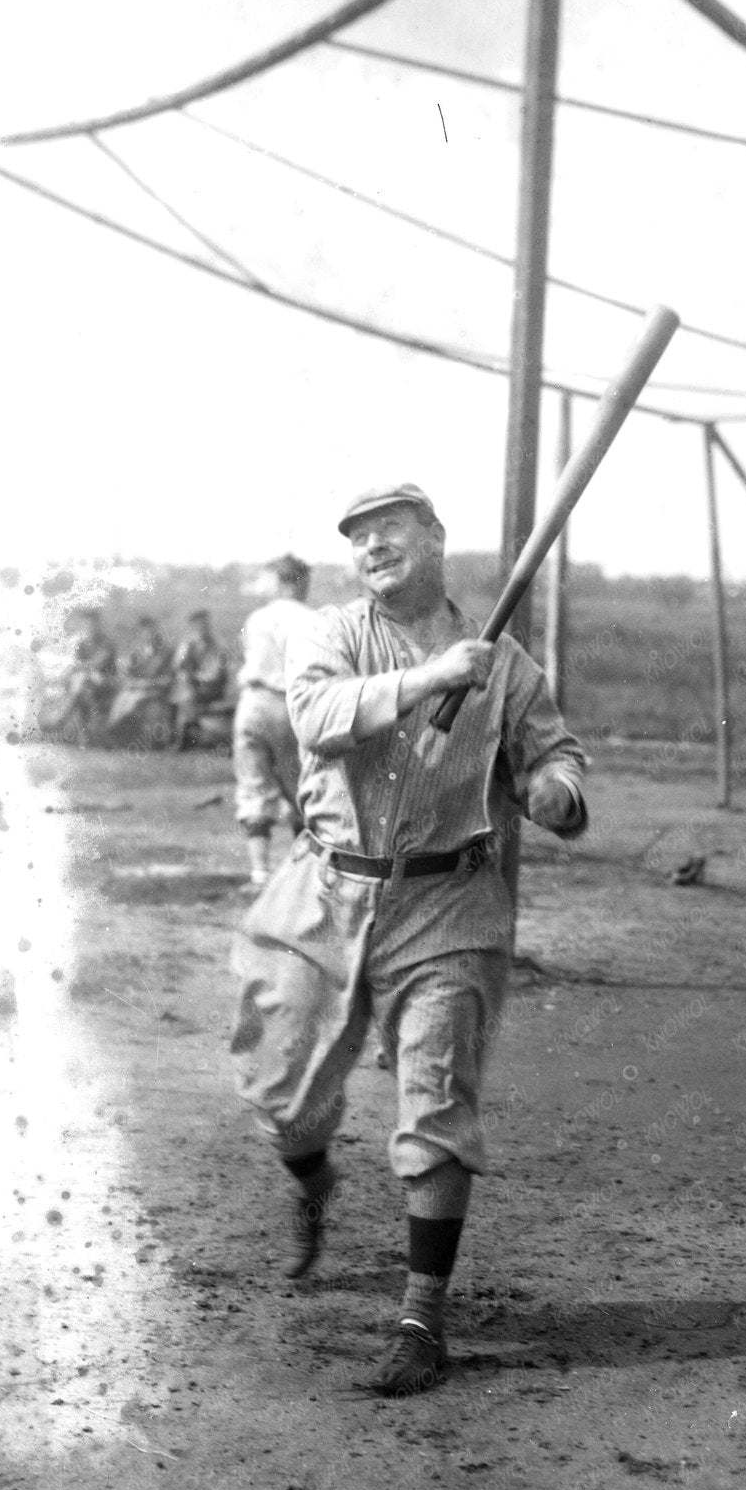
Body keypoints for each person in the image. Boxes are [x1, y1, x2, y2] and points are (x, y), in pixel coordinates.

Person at [229, 483, 587, 1397]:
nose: (374, 547)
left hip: (448, 906)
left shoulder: (506, 665)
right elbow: (315, 718)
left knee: (435, 1106)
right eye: (360, 539)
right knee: (281, 1093)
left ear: (434, 538)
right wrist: (430, 678)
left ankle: (422, 1320)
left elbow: (554, 752)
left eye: (391, 530)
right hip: (327, 891)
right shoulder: (332, 635)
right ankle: (312, 1178)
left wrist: (555, 791)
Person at [233, 555, 321, 887]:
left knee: (253, 783)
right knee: (301, 786)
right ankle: (304, 871)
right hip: (288, 703)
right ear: (298, 582)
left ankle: (259, 872)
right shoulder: (311, 618)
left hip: (252, 702)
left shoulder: (257, 617)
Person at [48, 607, 117, 738]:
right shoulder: (82, 644)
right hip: (87, 680)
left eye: (92, 624)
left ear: (98, 625)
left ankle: (60, 719)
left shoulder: (106, 643)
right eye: (86, 625)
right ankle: (70, 725)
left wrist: (77, 668)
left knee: (80, 678)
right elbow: (78, 664)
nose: (89, 628)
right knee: (79, 682)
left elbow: (98, 663)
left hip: (106, 680)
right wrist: (73, 670)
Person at [105, 615, 174, 741]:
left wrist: (147, 683)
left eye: (152, 631)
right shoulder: (137, 653)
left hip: (155, 690)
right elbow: (125, 674)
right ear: (140, 634)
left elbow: (168, 679)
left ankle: (115, 731)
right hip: (137, 689)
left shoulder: (166, 653)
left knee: (134, 700)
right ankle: (113, 732)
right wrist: (134, 681)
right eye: (145, 632)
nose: (149, 635)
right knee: (123, 698)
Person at [171, 609, 229, 751]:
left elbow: (215, 675)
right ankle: (184, 735)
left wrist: (194, 677)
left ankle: (182, 739)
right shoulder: (190, 644)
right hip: (194, 687)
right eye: (197, 626)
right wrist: (185, 654)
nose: (201, 629)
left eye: (204, 625)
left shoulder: (218, 646)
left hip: (212, 689)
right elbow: (178, 666)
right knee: (184, 692)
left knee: (187, 696)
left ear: (209, 626)